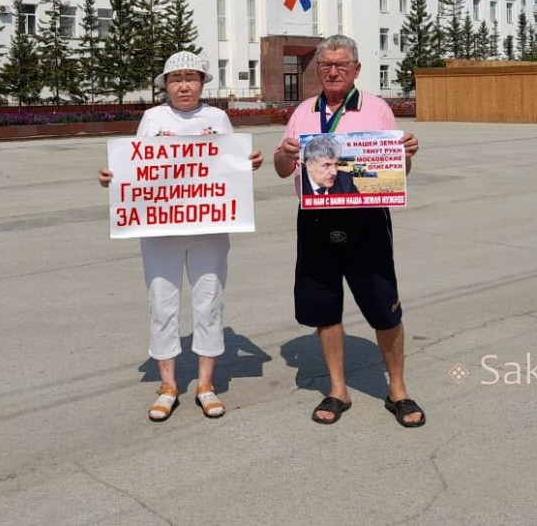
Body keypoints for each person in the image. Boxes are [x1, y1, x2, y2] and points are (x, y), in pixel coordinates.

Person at [98, 51, 264, 422]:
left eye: (191, 77)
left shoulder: (217, 117)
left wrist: (249, 162)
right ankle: (168, 386)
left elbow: (228, 168)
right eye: (176, 79)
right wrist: (113, 178)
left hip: (208, 229)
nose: (184, 85)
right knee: (162, 303)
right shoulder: (153, 118)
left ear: (203, 82)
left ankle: (206, 385)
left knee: (209, 301)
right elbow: (135, 165)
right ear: (165, 85)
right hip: (159, 230)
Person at [273, 34, 424, 427]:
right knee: (325, 307)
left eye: (342, 64)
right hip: (316, 218)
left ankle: (398, 390)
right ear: (318, 70)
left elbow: (396, 174)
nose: (333, 71)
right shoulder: (304, 111)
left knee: (383, 306)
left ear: (357, 69)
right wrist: (284, 156)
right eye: (326, 65)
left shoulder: (377, 110)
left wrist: (404, 156)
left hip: (367, 219)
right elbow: (281, 169)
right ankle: (338, 389)